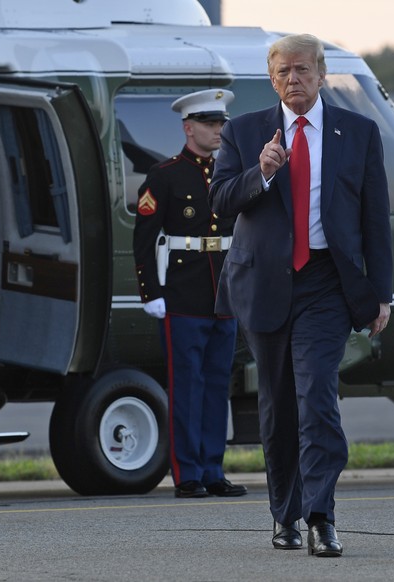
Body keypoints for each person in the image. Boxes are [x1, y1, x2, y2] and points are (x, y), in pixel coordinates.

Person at [209, 34, 393, 556]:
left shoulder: (357, 133)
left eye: (303, 70)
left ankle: (320, 516)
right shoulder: (245, 133)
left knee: (317, 397)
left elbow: (374, 220)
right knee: (277, 406)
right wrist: (260, 173)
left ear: (320, 74)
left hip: (326, 283)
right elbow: (220, 201)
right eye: (284, 71)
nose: (294, 79)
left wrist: (382, 294)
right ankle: (283, 515)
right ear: (272, 80)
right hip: (265, 282)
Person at [133, 89, 247, 500]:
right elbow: (144, 239)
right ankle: (188, 473)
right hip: (182, 292)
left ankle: (214, 469)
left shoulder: (230, 171)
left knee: (218, 384)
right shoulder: (165, 175)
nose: (219, 130)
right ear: (188, 127)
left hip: (224, 293)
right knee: (187, 385)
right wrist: (151, 292)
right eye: (210, 123)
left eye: (221, 123)